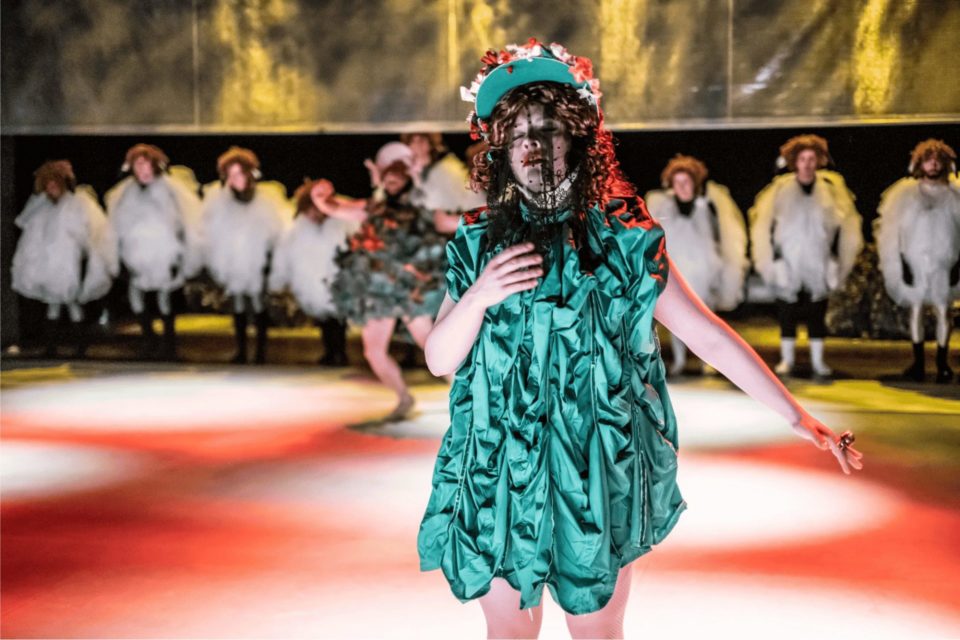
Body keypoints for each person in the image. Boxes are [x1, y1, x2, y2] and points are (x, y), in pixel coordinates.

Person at [416, 39, 863, 640]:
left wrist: (797, 416)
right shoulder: (478, 244)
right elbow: (440, 359)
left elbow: (706, 335)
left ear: (578, 138)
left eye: (548, 128)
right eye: (517, 132)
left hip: (596, 464)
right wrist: (478, 296)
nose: (532, 144)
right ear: (499, 146)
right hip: (499, 464)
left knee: (597, 627)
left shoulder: (624, 242)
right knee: (509, 631)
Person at [322, 142, 447, 420]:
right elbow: (336, 208)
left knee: (432, 346)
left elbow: (454, 222)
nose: (392, 182)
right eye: (387, 178)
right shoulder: (372, 209)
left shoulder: (422, 209)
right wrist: (320, 198)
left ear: (408, 178)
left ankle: (465, 393)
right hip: (380, 290)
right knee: (374, 351)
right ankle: (403, 397)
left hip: (411, 289)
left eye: (397, 177)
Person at [749, 134, 863, 378]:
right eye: (803, 159)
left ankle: (818, 361)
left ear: (819, 160)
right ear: (795, 161)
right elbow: (765, 225)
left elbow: (844, 224)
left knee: (817, 310)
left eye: (812, 159)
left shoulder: (830, 189)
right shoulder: (780, 189)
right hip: (788, 259)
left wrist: (835, 258)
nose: (807, 164)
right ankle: (787, 360)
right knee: (787, 311)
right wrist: (774, 258)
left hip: (818, 257)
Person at [644, 154, 748, 375]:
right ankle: (680, 360)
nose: (682, 186)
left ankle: (707, 361)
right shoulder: (663, 207)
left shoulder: (707, 206)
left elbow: (722, 235)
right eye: (677, 182)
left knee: (705, 318)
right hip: (676, 270)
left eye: (687, 181)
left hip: (704, 271)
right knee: (677, 319)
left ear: (695, 183)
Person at [105, 144, 203, 360]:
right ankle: (148, 339)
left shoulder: (170, 189)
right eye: (137, 165)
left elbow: (188, 220)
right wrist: (117, 256)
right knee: (136, 295)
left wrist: (182, 255)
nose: (142, 170)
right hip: (135, 254)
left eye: (146, 164)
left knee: (164, 296)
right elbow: (114, 226)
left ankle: (169, 344)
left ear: (155, 165)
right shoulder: (124, 192)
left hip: (164, 252)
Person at [11, 160, 117, 357]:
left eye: (55, 183)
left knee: (69, 299)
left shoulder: (77, 203)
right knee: (54, 301)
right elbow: (24, 222)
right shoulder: (42, 205)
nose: (51, 187)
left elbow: (91, 230)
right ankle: (54, 346)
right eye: (48, 184)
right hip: (49, 262)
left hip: (69, 261)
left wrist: (85, 253)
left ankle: (79, 347)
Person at [875, 139, 960, 383]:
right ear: (920, 163)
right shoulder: (906, 194)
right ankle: (918, 363)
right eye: (928, 160)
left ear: (945, 163)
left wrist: (958, 264)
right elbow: (896, 230)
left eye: (938, 160)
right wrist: (902, 262)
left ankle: (942, 363)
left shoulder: (955, 195)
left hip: (945, 263)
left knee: (943, 311)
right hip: (915, 263)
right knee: (917, 310)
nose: (933, 165)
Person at [201, 147, 291, 364]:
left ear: (250, 174)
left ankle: (260, 351)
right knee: (238, 302)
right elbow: (212, 231)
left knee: (258, 302)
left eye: (240, 174)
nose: (236, 179)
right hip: (234, 260)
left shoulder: (265, 199)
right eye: (231, 175)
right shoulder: (220, 201)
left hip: (257, 260)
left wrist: (269, 260)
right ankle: (241, 350)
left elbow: (276, 231)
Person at [269, 178, 357, 366]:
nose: (314, 214)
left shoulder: (341, 222)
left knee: (338, 317)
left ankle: (340, 352)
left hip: (338, 277)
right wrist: (281, 278)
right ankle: (329, 351)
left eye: (317, 209)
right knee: (323, 317)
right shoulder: (297, 228)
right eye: (310, 210)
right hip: (312, 280)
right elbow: (285, 253)